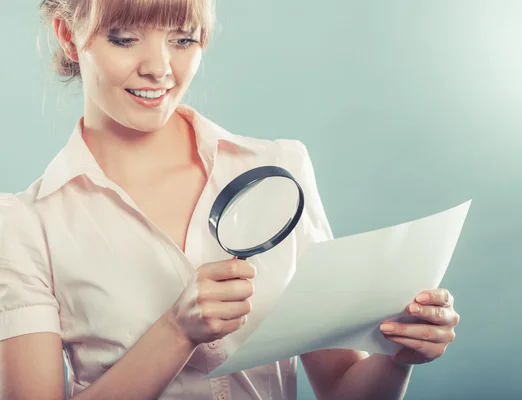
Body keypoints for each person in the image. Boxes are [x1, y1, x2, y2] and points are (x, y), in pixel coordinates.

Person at [0, 0, 461, 399]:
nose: (159, 68)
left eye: (183, 39)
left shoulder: (281, 170)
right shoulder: (26, 224)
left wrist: (399, 355)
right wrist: (175, 331)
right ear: (67, 35)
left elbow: (342, 386)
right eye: (125, 38)